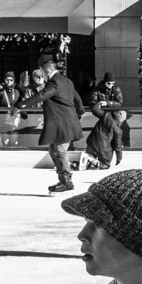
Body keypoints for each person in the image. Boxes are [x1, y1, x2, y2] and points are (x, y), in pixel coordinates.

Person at [34, 53, 86, 193]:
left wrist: (19, 106)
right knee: (54, 150)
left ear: (47, 71)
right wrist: (80, 112)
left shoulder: (55, 82)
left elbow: (41, 96)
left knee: (59, 151)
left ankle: (67, 182)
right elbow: (77, 98)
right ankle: (63, 180)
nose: (42, 77)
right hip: (62, 123)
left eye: (42, 74)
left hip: (64, 124)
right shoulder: (67, 81)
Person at [86, 74, 127, 170]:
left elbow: (119, 103)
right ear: (104, 82)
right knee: (106, 162)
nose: (111, 85)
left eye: (113, 83)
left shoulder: (106, 118)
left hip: (92, 142)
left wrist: (106, 104)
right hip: (100, 147)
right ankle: (98, 162)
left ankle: (92, 160)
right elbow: (117, 144)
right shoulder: (116, 127)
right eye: (109, 83)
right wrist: (119, 157)